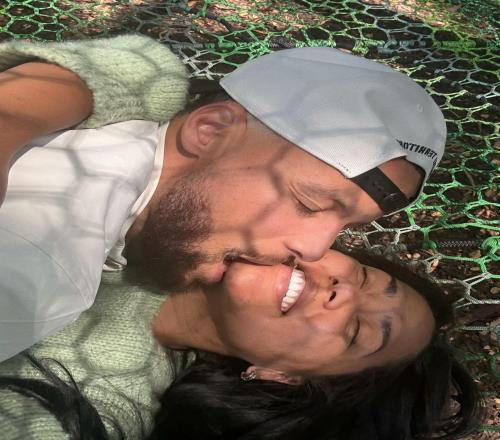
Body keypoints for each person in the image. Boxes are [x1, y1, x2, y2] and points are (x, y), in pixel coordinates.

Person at [0, 35, 446, 362]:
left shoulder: (107, 127)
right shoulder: (42, 274)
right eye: (308, 203)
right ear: (209, 130)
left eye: (345, 228)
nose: (314, 250)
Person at [0, 248, 480, 439]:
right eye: (366, 278)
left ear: (282, 376)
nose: (347, 292)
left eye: (358, 332)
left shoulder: (94, 399)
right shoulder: (180, 215)